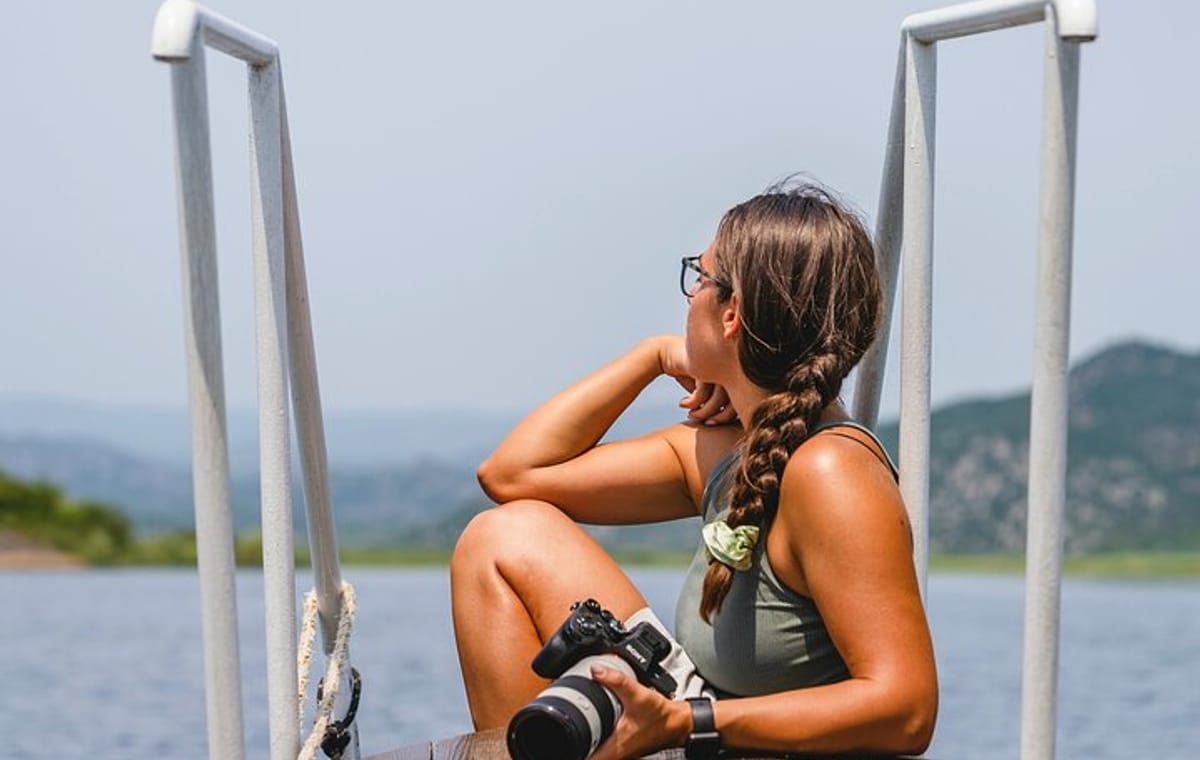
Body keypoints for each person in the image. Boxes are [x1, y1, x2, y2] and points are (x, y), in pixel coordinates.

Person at [451, 180, 937, 759]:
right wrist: (653, 357)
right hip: (705, 730)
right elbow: (512, 476)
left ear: (731, 313)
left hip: (720, 735)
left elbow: (907, 710)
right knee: (500, 538)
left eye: (698, 277)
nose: (689, 298)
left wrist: (687, 721)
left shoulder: (831, 471)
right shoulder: (736, 450)